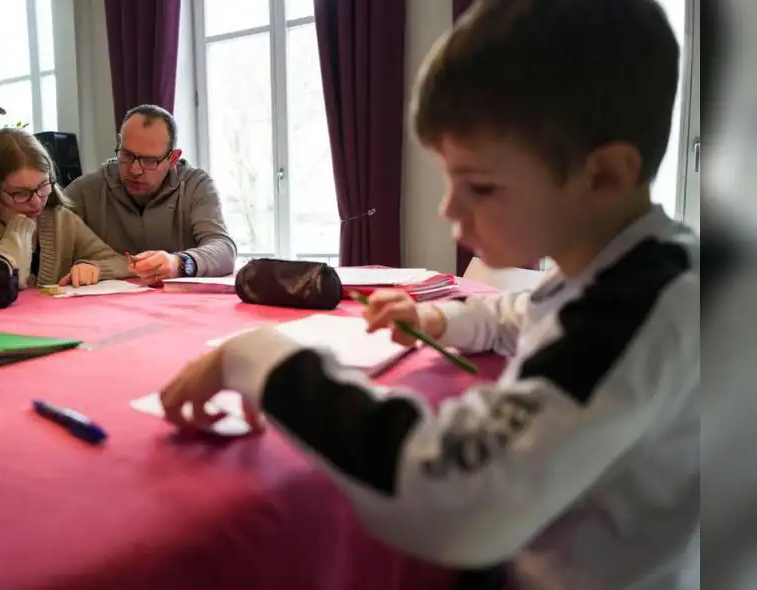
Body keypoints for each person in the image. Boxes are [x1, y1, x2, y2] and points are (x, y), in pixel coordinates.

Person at [158, 1, 700, 589]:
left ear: (604, 176)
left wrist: (259, 358)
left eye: (480, 186)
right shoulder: (618, 269)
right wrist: (438, 319)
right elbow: (518, 313)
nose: (448, 211)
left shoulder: (642, 306)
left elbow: (456, 497)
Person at [64, 104, 237, 282]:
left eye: (149, 160)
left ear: (173, 159)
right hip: (105, 306)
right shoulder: (86, 190)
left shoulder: (195, 185)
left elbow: (224, 250)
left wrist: (178, 263)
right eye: (127, 155)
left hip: (178, 305)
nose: (135, 170)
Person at [0, 128, 129, 288]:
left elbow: (121, 262)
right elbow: (5, 281)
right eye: (20, 193)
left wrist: (94, 268)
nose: (37, 202)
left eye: (44, 186)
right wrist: (20, 224)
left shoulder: (61, 219)